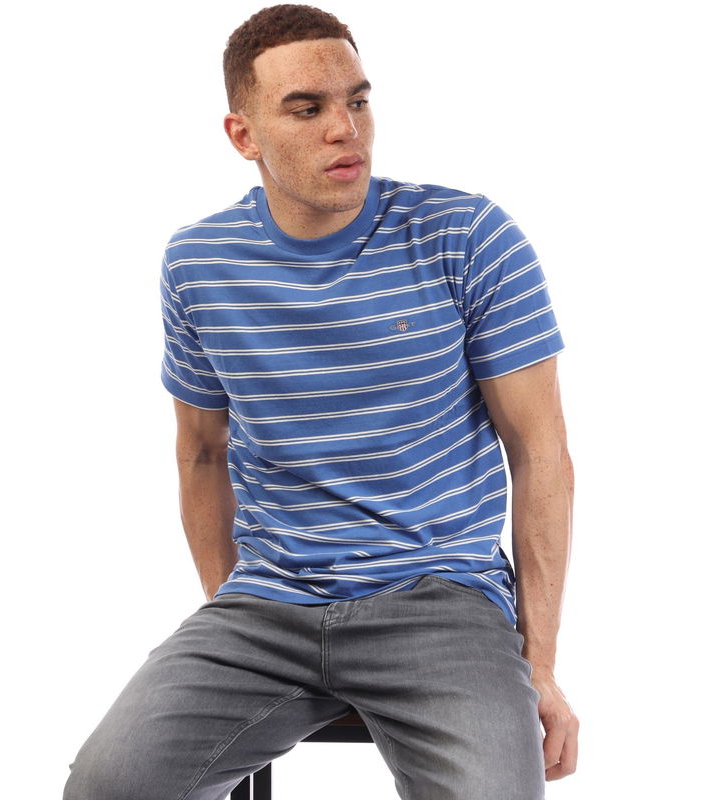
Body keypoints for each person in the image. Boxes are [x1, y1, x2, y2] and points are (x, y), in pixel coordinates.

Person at [62, 4, 578, 798]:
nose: (346, 129)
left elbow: (540, 453)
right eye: (307, 109)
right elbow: (199, 453)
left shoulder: (466, 235)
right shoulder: (199, 262)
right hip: (270, 605)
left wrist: (540, 666)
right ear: (244, 135)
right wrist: (229, 610)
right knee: (107, 786)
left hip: (440, 600)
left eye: (358, 100)